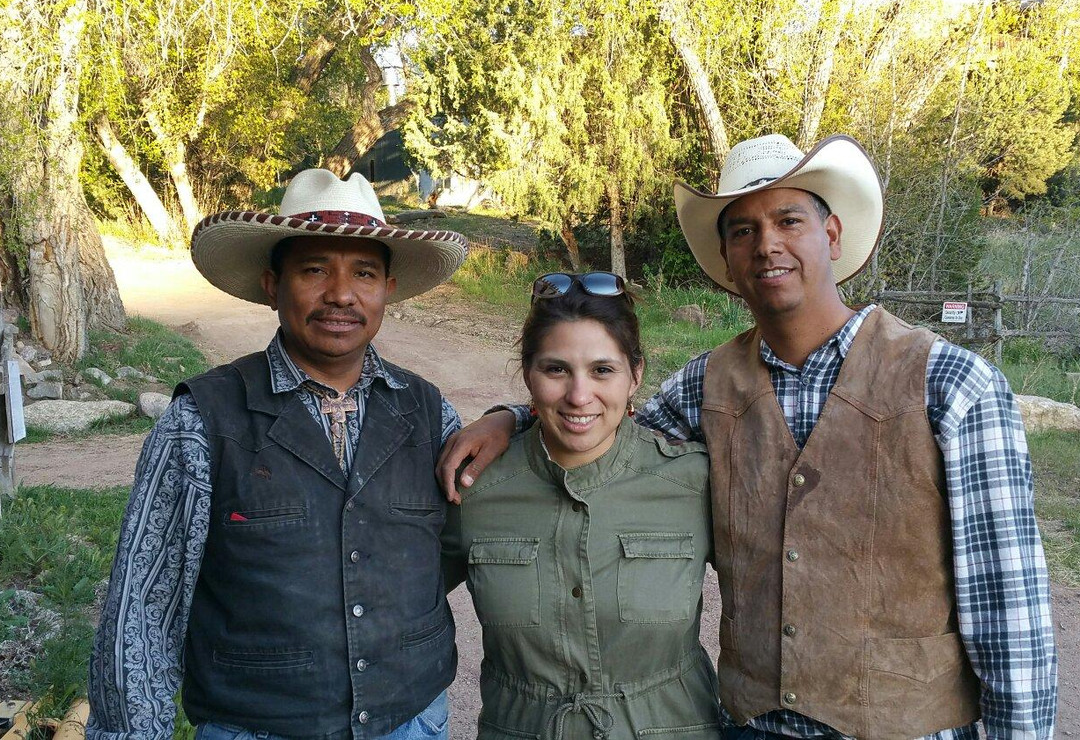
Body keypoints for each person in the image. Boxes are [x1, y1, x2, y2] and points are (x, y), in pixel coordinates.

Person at [439, 134, 1058, 739]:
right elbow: (599, 421)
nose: (767, 245)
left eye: (789, 220)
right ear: (728, 260)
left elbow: (1010, 612)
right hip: (750, 724)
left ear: (832, 236)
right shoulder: (702, 388)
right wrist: (513, 419)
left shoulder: (952, 384)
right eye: (743, 231)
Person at [87, 168, 469, 740]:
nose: (340, 294)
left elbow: (452, 548)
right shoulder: (203, 420)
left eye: (363, 272)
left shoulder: (429, 412)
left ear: (388, 288)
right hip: (255, 728)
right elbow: (144, 607)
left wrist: (514, 414)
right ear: (272, 284)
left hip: (411, 722)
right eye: (314, 269)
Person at [441, 272, 721, 739]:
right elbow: (397, 608)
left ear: (636, 375)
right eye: (555, 370)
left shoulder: (693, 481)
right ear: (527, 373)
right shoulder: (473, 487)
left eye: (602, 370)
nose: (578, 395)